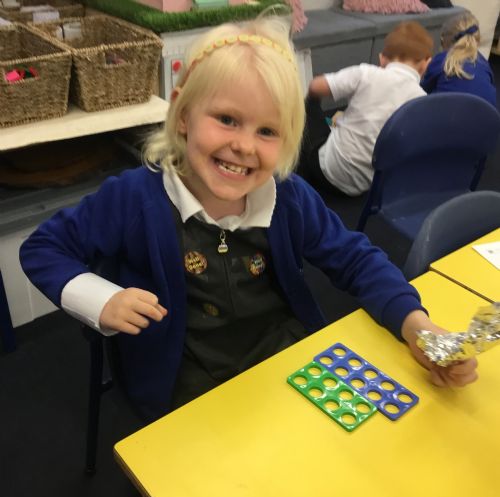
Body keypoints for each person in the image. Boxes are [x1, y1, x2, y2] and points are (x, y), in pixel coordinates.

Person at [19, 15, 477, 422]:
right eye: (226, 119)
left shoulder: (288, 197)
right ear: (183, 114)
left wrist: (415, 324)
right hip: (183, 373)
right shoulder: (134, 197)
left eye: (267, 131)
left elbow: (356, 259)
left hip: (280, 353)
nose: (244, 146)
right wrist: (101, 299)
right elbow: (43, 248)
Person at [297, 21, 433, 197]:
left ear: (382, 59)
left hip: (328, 170)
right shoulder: (422, 101)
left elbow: (315, 87)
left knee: (309, 101)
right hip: (367, 185)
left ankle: (296, 168)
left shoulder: (366, 73)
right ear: (426, 64)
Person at [421, 11, 496, 107]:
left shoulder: (442, 60)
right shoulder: (484, 64)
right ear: (477, 39)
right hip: (487, 114)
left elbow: (422, 91)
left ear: (443, 40)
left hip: (447, 114)